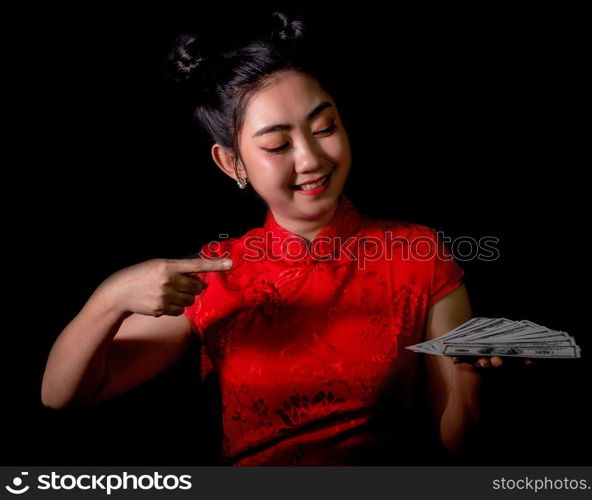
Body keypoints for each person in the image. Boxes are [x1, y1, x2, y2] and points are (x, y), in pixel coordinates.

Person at [41, 10, 531, 466]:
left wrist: (471, 372)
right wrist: (110, 298)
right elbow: (64, 394)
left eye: (325, 128)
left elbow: (460, 443)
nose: (312, 159)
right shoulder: (215, 274)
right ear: (231, 163)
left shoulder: (418, 254)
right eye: (278, 145)